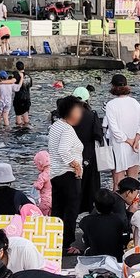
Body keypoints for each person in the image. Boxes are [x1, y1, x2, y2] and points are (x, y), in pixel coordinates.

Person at [48, 95, 86, 246]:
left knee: (58, 209)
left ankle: (55, 240)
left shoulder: (56, 126)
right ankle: (67, 243)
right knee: (71, 210)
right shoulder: (67, 129)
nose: (80, 114)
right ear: (70, 111)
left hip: (56, 173)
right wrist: (76, 165)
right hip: (68, 174)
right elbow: (63, 150)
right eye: (78, 111)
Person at [103, 73, 140, 185]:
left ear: (113, 86)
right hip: (135, 146)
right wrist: (135, 140)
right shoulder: (135, 102)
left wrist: (128, 141)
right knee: (134, 182)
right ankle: (135, 198)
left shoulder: (111, 105)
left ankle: (119, 198)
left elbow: (114, 130)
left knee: (118, 183)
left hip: (119, 146)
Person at [72, 86, 106, 203]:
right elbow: (98, 135)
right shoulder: (92, 115)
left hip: (73, 153)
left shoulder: (69, 116)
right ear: (87, 99)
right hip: (89, 153)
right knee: (91, 184)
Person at [78, 188, 128, 259]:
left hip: (95, 255)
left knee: (87, 236)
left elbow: (82, 226)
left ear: (94, 205)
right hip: (117, 257)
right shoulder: (119, 219)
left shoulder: (87, 220)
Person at [12, 60, 34, 128]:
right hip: (27, 98)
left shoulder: (17, 75)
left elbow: (13, 82)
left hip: (19, 98)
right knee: (26, 114)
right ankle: (27, 129)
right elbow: (30, 85)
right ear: (24, 67)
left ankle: (19, 129)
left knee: (18, 115)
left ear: (16, 68)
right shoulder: (28, 76)